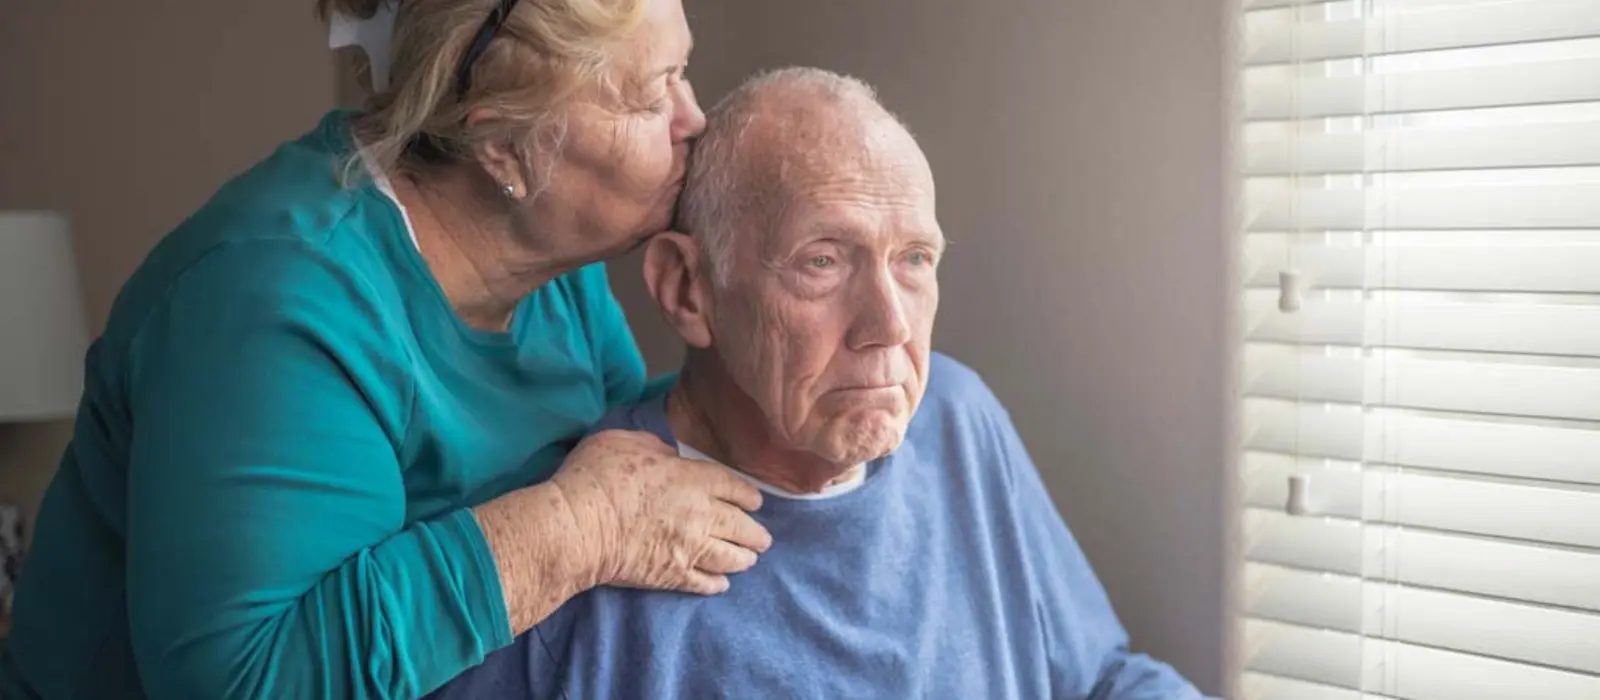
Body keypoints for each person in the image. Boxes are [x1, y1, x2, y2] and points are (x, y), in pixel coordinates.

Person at [0, 1, 775, 698]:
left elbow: (640, 470)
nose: (693, 119)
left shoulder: (552, 270)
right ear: (503, 147)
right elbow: (246, 679)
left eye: (685, 70)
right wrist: (576, 529)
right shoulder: (276, 297)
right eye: (652, 92)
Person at [428, 67, 1213, 700]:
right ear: (687, 290)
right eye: (823, 260)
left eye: (914, 261)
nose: (890, 325)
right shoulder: (581, 550)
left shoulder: (956, 417)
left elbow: (1099, 678)